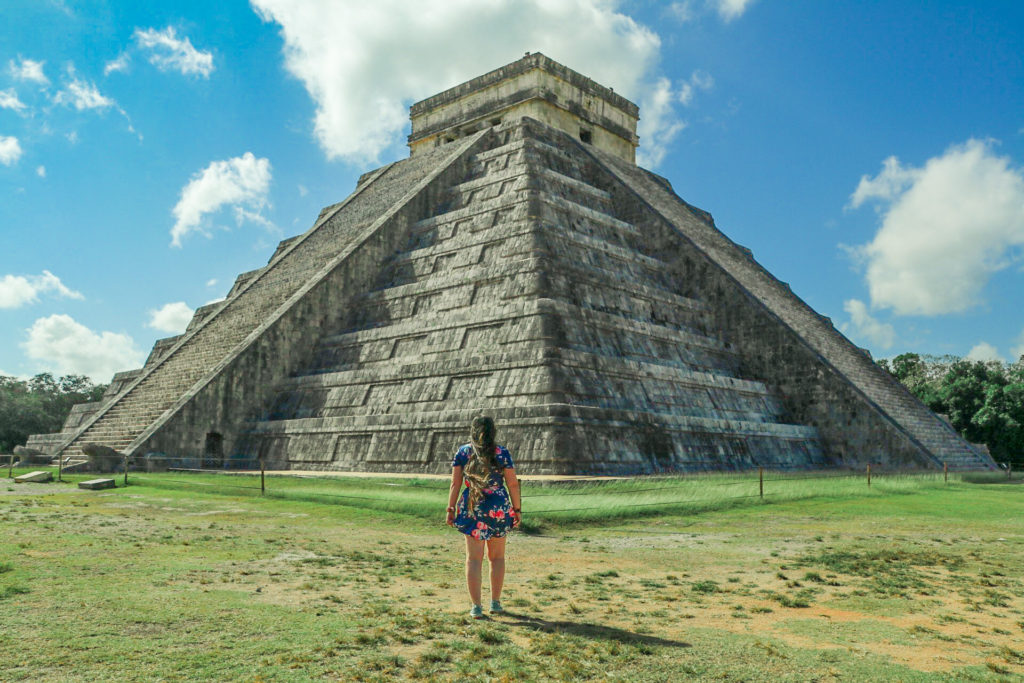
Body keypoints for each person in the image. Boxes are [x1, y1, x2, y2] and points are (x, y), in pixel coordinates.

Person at [445, 415, 522, 619]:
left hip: (472, 506)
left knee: (473, 559)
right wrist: (517, 509)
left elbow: (455, 484)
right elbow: (513, 484)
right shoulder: (501, 452)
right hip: (498, 507)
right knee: (496, 558)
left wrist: (450, 509)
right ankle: (495, 603)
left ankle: (476, 607)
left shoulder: (463, 452)